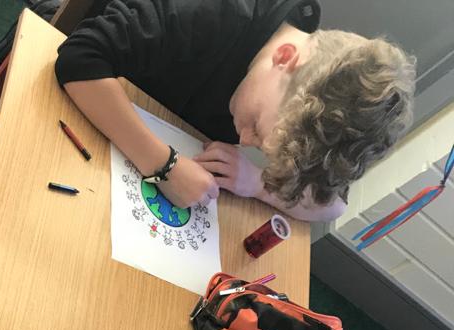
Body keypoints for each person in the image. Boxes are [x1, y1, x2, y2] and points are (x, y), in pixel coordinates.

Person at [53, 0, 415, 222]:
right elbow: (79, 57)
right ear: (284, 58)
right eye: (257, 125)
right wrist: (164, 165)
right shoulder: (213, 11)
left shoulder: (325, 112)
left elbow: (331, 205)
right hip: (79, 108)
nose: (244, 138)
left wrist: (257, 184)